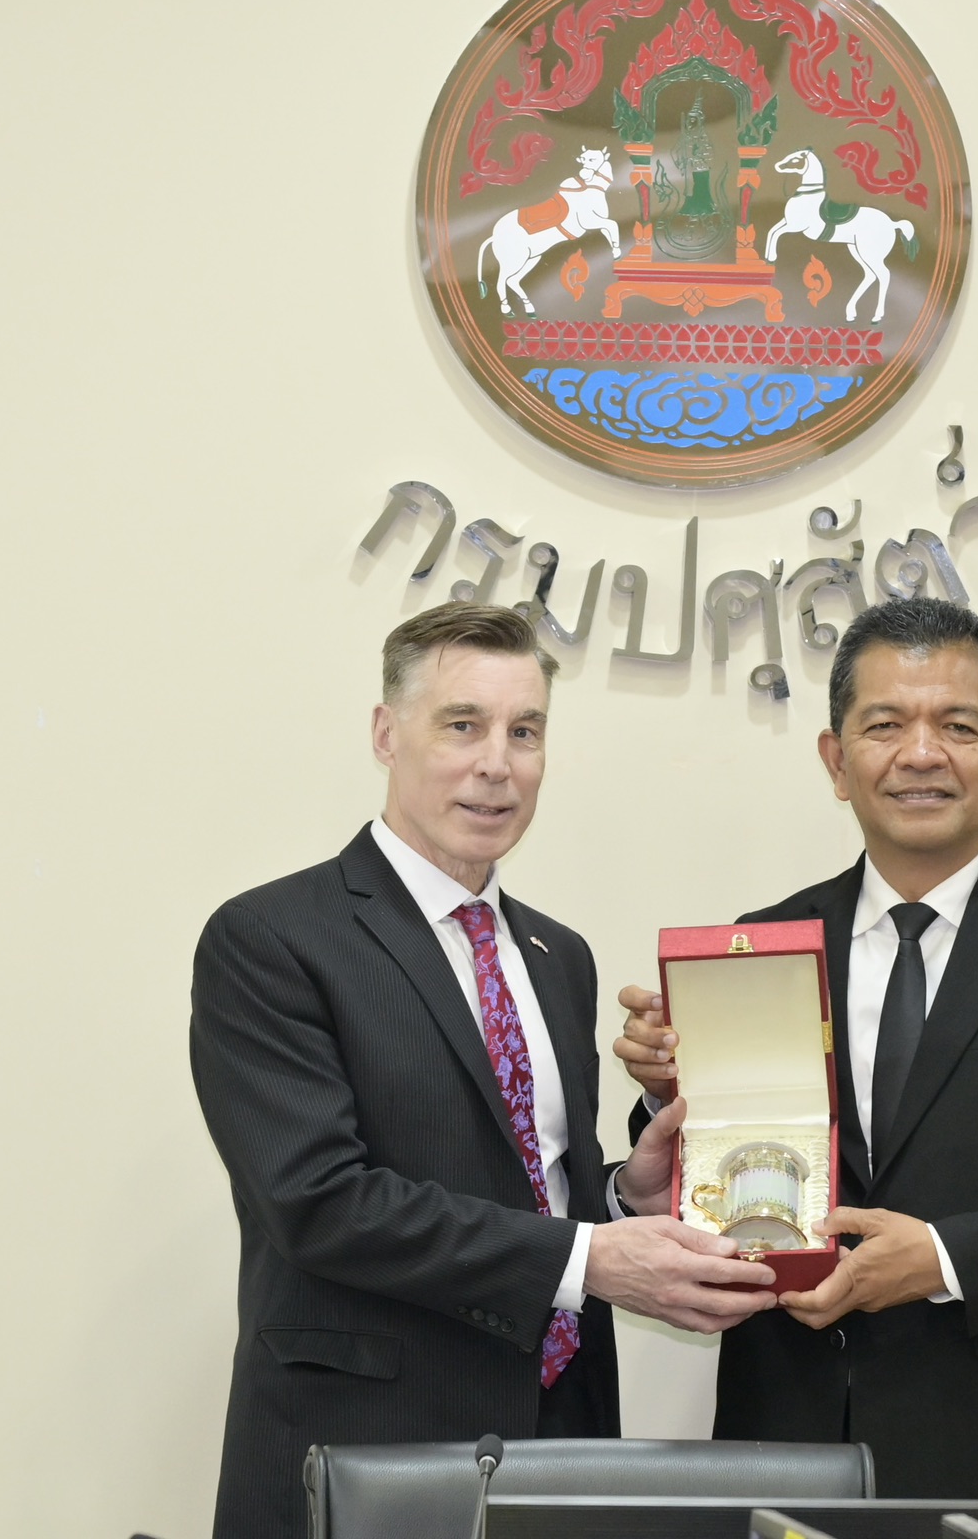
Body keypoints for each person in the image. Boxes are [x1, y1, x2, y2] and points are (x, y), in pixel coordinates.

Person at [614, 599, 978, 1538]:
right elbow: (729, 1175)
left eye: (958, 726)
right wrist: (676, 1099)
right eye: (886, 725)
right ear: (836, 760)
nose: (922, 753)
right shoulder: (763, 943)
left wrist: (944, 1257)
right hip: (793, 1441)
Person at [192, 603, 775, 1539]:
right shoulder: (271, 938)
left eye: (525, 732)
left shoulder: (558, 956)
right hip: (367, 1446)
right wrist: (590, 1259)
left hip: (559, 1439)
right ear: (387, 734)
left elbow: (532, 1189)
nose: (497, 763)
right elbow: (318, 1201)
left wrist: (623, 1196)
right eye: (462, 725)